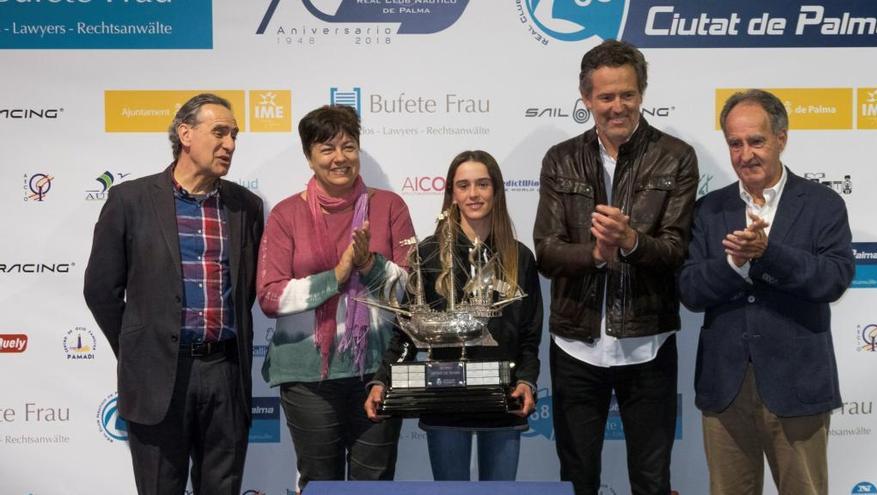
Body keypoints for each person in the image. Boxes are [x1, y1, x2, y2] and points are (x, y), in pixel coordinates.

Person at [533, 40, 699, 495]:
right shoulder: (560, 158)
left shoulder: (676, 157)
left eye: (627, 94)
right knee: (578, 479)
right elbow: (546, 253)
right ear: (587, 99)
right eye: (606, 96)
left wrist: (629, 242)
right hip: (575, 346)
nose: (617, 106)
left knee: (651, 480)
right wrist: (595, 255)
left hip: (648, 343)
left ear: (642, 93)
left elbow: (675, 252)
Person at [84, 93, 264, 494]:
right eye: (219, 132)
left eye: (234, 135)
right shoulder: (130, 200)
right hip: (157, 378)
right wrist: (141, 346)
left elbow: (246, 290)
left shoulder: (246, 206)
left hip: (226, 374)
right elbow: (100, 290)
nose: (230, 145)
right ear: (185, 134)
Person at [678, 89, 855, 495]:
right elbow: (689, 289)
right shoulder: (709, 209)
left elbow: (833, 278)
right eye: (735, 144)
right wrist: (734, 264)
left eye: (756, 141)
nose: (745, 154)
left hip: (798, 384)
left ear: (781, 138)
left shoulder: (822, 204)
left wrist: (766, 253)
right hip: (725, 386)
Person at [257, 105, 415, 493]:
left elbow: (411, 291)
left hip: (377, 371)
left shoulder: (389, 207)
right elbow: (270, 296)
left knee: (374, 484)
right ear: (309, 157)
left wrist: (369, 264)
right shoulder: (286, 214)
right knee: (320, 484)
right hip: (308, 375)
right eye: (326, 148)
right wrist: (338, 275)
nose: (339, 157)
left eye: (348, 146)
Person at [365, 150, 543, 481]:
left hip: (503, 399)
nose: (473, 194)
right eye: (463, 185)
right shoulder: (428, 255)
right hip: (445, 398)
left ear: (496, 191)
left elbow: (529, 336)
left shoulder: (520, 257)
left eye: (482, 184)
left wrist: (526, 381)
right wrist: (383, 379)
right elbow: (406, 332)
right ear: (452, 194)